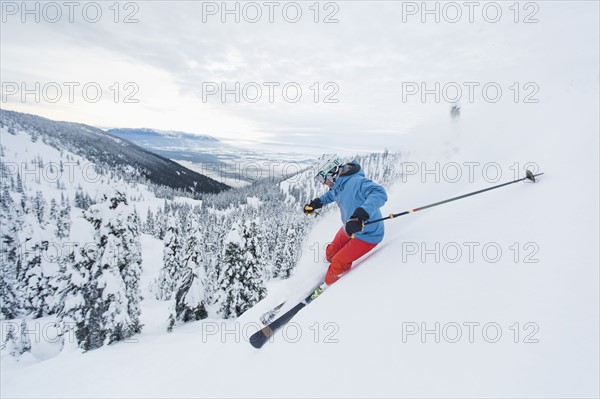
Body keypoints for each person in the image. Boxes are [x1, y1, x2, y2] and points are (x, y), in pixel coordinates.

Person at [303, 154, 388, 286]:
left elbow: (379, 193)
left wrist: (360, 215)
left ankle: (329, 287)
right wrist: (317, 203)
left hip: (368, 234)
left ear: (332, 171)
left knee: (337, 262)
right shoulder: (339, 184)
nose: (323, 182)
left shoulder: (357, 182)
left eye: (322, 177)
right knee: (330, 253)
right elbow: (332, 194)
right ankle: (330, 273)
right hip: (350, 227)